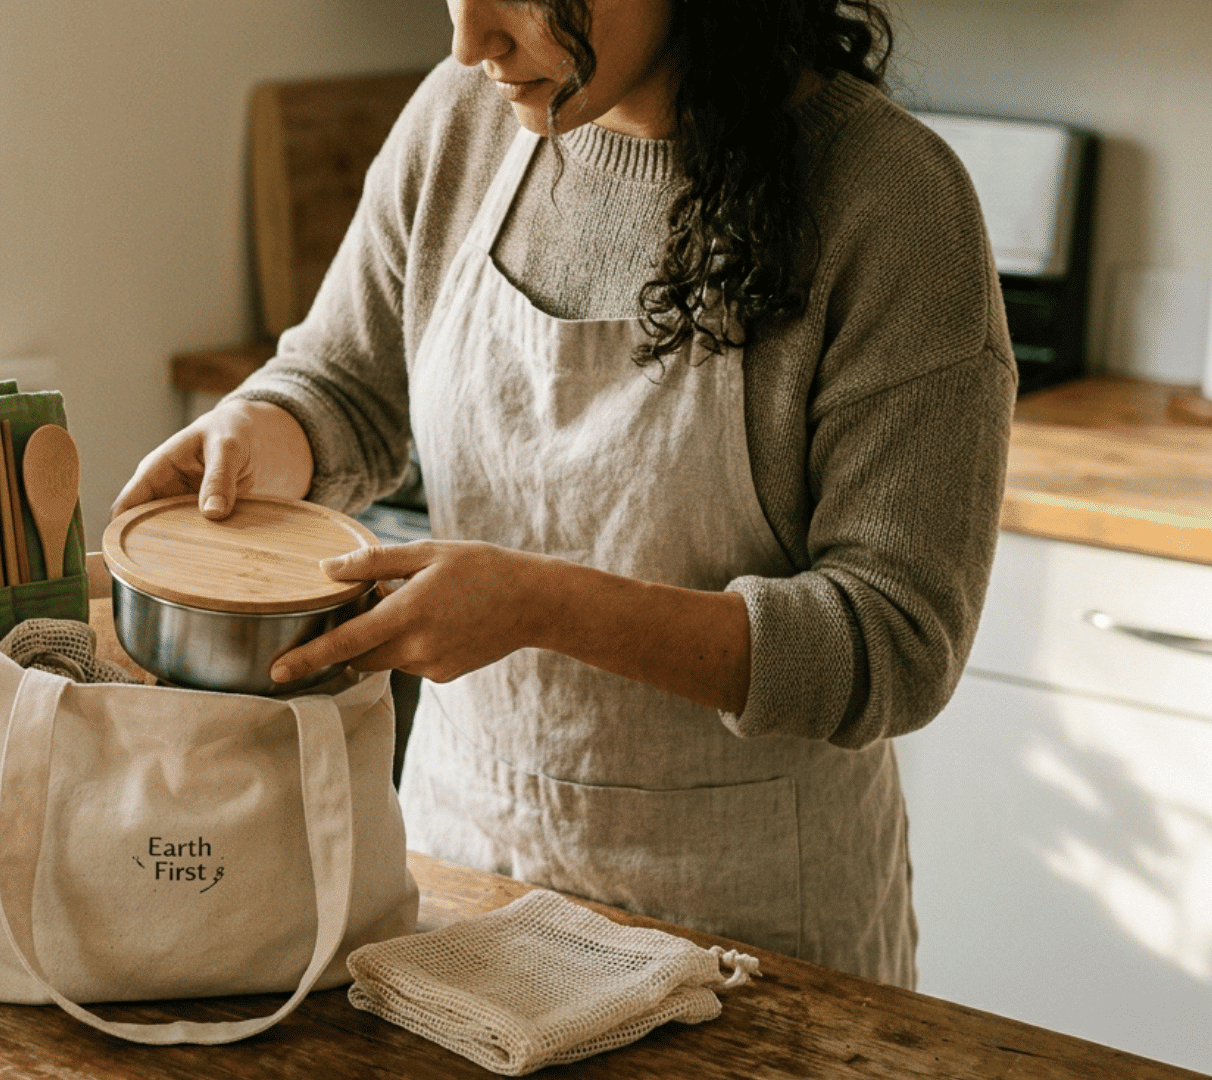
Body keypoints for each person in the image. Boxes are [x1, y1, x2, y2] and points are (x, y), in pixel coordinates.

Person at [113, 0, 1014, 987]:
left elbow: (893, 643)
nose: (471, 42)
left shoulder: (891, 198)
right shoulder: (463, 118)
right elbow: (345, 384)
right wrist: (262, 433)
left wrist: (545, 606)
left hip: (748, 944)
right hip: (457, 885)